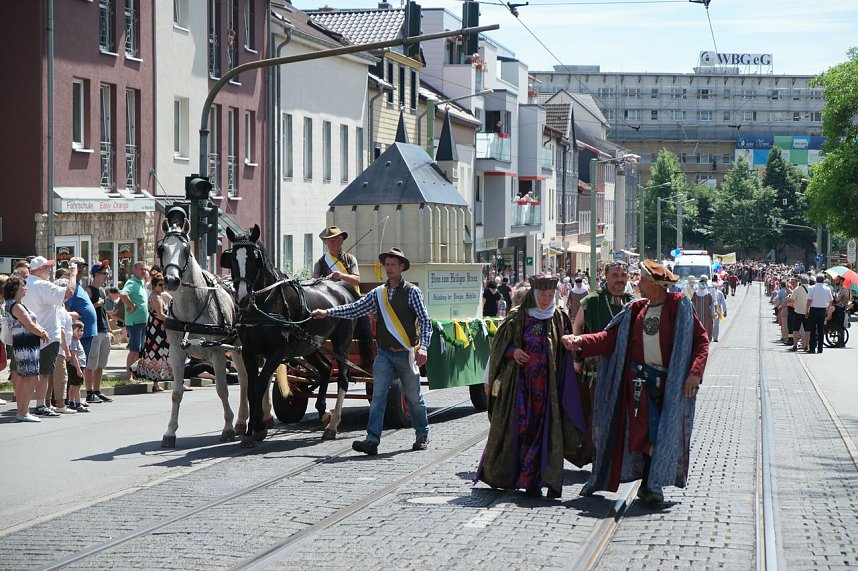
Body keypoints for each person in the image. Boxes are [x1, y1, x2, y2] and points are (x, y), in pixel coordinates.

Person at [562, 260, 709, 505]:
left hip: (669, 386)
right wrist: (581, 341)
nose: (636, 283)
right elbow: (609, 338)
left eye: (641, 280)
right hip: (638, 384)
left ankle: (652, 485)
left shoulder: (678, 307)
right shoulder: (635, 310)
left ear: (654, 284)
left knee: (661, 434)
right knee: (644, 435)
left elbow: (701, 340)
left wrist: (695, 372)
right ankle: (649, 484)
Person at [311, 247, 431, 455]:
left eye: (393, 265)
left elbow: (426, 321)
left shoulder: (412, 292)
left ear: (402, 267)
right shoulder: (378, 294)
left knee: (414, 397)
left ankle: (422, 433)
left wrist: (424, 347)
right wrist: (327, 312)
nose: (389, 268)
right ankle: (372, 440)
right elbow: (354, 309)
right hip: (384, 353)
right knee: (378, 398)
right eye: (387, 265)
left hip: (405, 352)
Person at [474, 275, 585, 498]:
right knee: (524, 430)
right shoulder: (517, 318)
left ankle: (547, 479)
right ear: (534, 295)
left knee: (547, 431)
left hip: (549, 388)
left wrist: (569, 343)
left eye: (550, 295)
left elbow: (566, 341)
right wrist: (513, 352)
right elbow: (499, 348)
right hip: (521, 387)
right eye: (543, 295)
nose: (546, 299)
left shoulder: (559, 317)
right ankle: (527, 479)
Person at [312, 225, 373, 372]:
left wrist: (341, 276)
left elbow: (356, 280)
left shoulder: (350, 259)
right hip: (327, 301)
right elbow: (313, 281)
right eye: (329, 241)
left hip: (350, 297)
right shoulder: (320, 262)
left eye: (335, 240)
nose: (332, 244)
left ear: (341, 241)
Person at [24, 256, 77, 417]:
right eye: (46, 268)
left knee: (29, 373)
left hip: (29, 332)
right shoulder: (42, 285)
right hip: (46, 334)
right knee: (44, 373)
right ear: (39, 270)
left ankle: (29, 405)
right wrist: (73, 274)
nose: (49, 270)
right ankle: (40, 405)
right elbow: (69, 292)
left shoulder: (26, 283)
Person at [3, 276, 52, 422]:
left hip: (26, 345)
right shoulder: (16, 306)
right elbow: (29, 325)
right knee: (30, 378)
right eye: (23, 286)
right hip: (25, 346)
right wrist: (43, 332)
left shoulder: (14, 304)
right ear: (15, 289)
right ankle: (23, 412)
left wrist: (40, 330)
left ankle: (22, 410)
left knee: (27, 378)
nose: (25, 288)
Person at [131, 273, 173, 390]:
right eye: (160, 285)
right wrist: (173, 321)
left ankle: (156, 383)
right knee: (160, 354)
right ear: (154, 286)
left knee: (158, 354)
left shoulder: (158, 295)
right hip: (157, 330)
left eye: (164, 284)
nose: (163, 287)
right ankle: (171, 382)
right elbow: (160, 315)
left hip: (157, 329)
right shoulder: (156, 297)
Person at [85, 261, 114, 402]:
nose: (106, 276)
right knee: (91, 363)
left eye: (107, 273)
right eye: (104, 273)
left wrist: (110, 329)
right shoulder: (89, 290)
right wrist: (97, 304)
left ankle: (97, 390)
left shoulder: (102, 290)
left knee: (101, 364)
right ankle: (89, 392)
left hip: (103, 330)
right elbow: (86, 309)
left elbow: (105, 313)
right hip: (94, 330)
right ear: (96, 274)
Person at [121, 261, 148, 383]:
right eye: (142, 269)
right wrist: (131, 305)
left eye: (145, 269)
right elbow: (123, 294)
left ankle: (135, 374)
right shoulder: (131, 282)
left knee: (138, 349)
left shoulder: (140, 283)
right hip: (135, 322)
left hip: (142, 322)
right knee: (134, 349)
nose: (144, 271)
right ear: (135, 270)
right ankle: (129, 375)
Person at [65, 320, 90, 413]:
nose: (80, 333)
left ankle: (72, 402)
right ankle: (78, 403)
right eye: (77, 330)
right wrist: (78, 369)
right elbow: (74, 356)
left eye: (81, 331)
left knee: (73, 386)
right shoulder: (74, 341)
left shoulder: (76, 341)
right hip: (76, 366)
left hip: (78, 365)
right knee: (76, 386)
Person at [805, 273, 833, 354]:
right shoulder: (827, 289)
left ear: (816, 280)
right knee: (821, 330)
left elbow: (809, 300)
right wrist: (828, 309)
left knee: (812, 329)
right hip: (822, 310)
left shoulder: (812, 288)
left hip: (813, 310)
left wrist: (807, 310)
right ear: (823, 280)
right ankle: (820, 349)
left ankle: (812, 348)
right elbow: (831, 300)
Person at [690, 274, 715, 340]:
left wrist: (713, 313)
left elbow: (712, 303)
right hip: (697, 316)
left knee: (707, 329)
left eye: (705, 281)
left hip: (707, 316)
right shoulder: (695, 293)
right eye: (702, 280)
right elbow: (691, 304)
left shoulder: (709, 293)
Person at [831, 276, 850, 347]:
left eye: (837, 280)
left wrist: (835, 299)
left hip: (841, 309)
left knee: (839, 326)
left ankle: (841, 342)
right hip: (839, 308)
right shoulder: (839, 289)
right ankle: (840, 341)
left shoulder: (843, 289)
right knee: (838, 326)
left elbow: (841, 299)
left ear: (841, 281)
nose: (836, 281)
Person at [710, 278, 727, 342]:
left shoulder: (720, 293)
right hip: (711, 309)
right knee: (711, 324)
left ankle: (715, 337)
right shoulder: (709, 293)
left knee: (716, 324)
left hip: (718, 309)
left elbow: (723, 302)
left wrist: (725, 311)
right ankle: (710, 336)